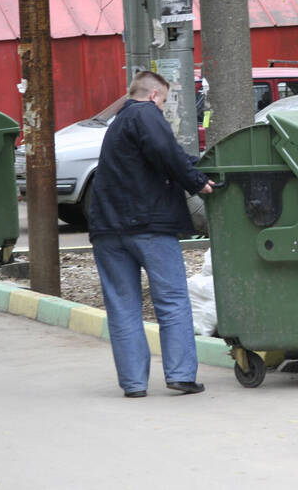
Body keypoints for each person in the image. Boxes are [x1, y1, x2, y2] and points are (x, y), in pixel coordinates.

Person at [88, 71, 215, 398]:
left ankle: (133, 384)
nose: (162, 108)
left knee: (122, 305)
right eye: (164, 101)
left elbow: (157, 157)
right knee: (171, 299)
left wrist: (192, 166)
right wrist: (197, 181)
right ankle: (181, 374)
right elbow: (165, 150)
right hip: (149, 227)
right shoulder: (145, 113)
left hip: (107, 230)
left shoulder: (117, 125)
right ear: (154, 95)